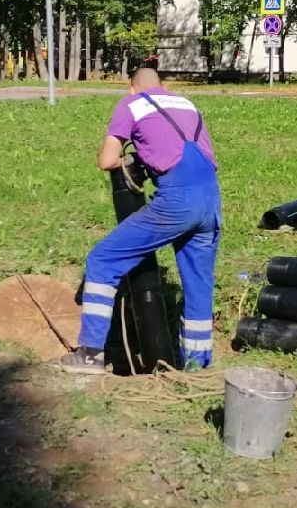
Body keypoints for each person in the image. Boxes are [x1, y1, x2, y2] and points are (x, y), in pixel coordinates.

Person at [60, 67, 221, 374]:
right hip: (211, 203)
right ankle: (197, 366)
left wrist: (130, 159)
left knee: (103, 259)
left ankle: (90, 355)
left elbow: (107, 161)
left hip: (177, 201)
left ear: (131, 87)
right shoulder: (187, 103)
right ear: (164, 85)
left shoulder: (131, 104)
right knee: (199, 285)